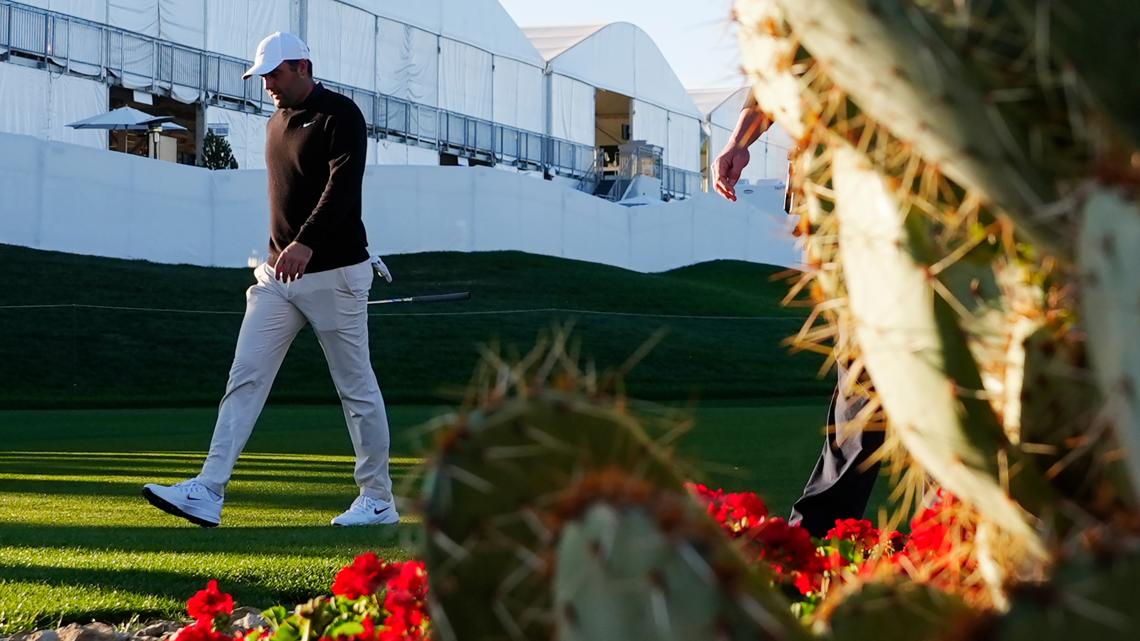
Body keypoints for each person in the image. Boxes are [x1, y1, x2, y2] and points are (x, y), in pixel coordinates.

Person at [142, 32, 398, 528]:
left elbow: (343, 186)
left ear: (302, 66)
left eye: (275, 75)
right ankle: (208, 490)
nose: (268, 86)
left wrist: (306, 241)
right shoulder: (275, 121)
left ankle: (378, 499)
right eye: (262, 78)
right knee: (245, 377)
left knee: (356, 389)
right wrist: (282, 250)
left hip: (336, 274)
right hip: (278, 276)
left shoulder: (340, 114)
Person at [713, 92, 883, 538]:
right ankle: (811, 538)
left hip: (911, 186)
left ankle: (812, 536)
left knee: (888, 373)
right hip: (836, 198)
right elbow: (775, 70)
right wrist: (739, 140)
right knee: (866, 375)